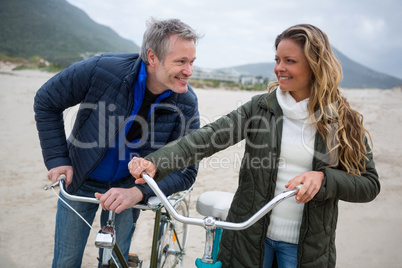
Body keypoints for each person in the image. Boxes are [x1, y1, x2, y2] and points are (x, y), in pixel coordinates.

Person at [127, 24, 380, 268]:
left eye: (289, 61)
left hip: (306, 249)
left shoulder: (341, 119)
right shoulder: (262, 108)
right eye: (277, 59)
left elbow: (369, 184)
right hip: (250, 239)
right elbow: (207, 137)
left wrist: (324, 179)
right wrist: (156, 162)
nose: (279, 68)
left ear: (315, 65)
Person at [34, 18, 202, 267]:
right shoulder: (103, 69)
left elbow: (187, 170)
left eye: (191, 62)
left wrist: (139, 192)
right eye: (181, 61)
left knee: (114, 262)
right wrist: (58, 159)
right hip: (80, 179)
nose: (189, 71)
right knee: (66, 260)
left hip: (130, 188)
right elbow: (47, 100)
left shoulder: (186, 102)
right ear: (152, 57)